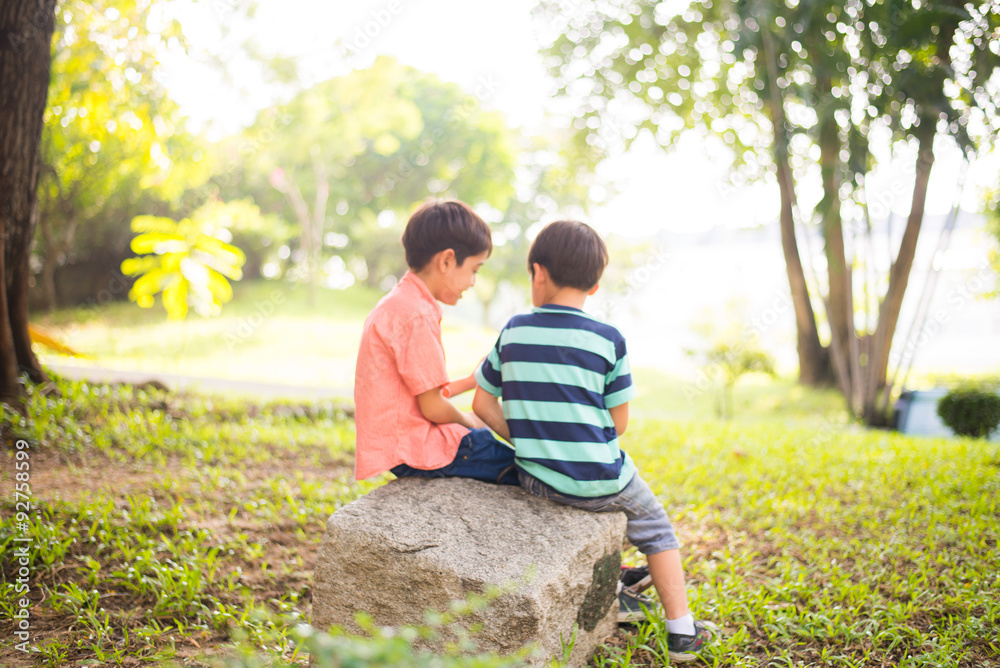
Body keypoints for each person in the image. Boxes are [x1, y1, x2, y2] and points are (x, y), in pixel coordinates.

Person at [471, 220, 716, 662]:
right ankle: (683, 632)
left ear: (537, 272)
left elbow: (482, 403)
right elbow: (619, 424)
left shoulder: (514, 331)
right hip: (601, 482)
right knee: (657, 530)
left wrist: (530, 437)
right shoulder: (608, 340)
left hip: (537, 481)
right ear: (597, 284)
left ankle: (619, 584)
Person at [353, 199, 517, 485]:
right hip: (417, 448)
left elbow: (424, 396)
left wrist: (470, 381)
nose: (473, 282)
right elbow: (433, 408)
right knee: (519, 467)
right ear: (447, 261)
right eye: (474, 270)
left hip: (399, 444)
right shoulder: (416, 315)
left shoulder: (399, 303)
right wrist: (470, 421)